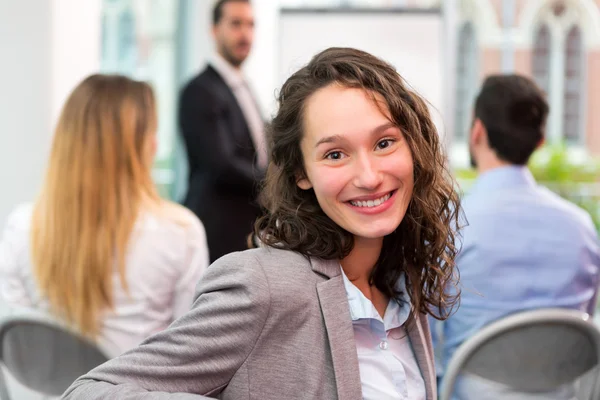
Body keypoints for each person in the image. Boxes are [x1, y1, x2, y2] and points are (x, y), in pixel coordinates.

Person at [62, 47, 461, 400]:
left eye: (384, 143)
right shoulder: (265, 288)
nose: (370, 175)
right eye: (335, 154)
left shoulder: (399, 279)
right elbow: (91, 392)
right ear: (301, 172)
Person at [0, 74, 210, 359]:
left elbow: (17, 353)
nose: (155, 145)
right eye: (152, 134)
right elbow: (188, 356)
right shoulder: (181, 233)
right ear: (139, 147)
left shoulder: (22, 227)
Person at [431, 74, 600, 399]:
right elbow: (581, 323)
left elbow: (426, 336)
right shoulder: (582, 227)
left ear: (477, 131)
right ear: (538, 142)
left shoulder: (450, 228)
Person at [179, 0, 266, 262]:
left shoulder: (244, 87)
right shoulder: (200, 90)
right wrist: (274, 183)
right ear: (214, 30)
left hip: (245, 226)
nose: (245, 34)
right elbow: (221, 165)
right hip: (216, 229)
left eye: (250, 25)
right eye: (235, 24)